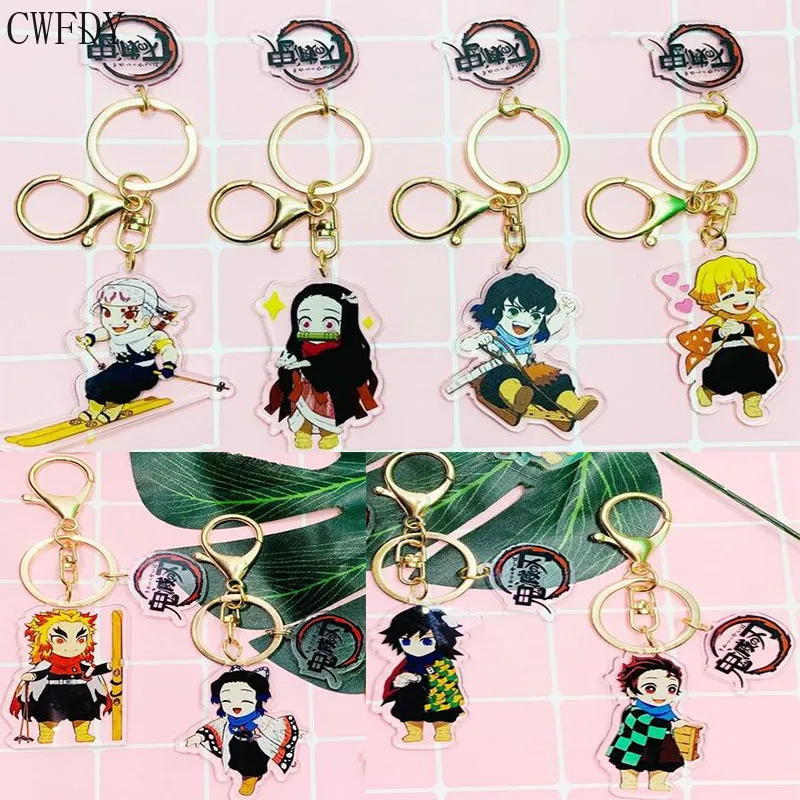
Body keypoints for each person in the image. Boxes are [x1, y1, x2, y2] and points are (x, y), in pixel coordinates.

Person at [447, 272, 597, 427]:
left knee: (556, 381)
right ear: (496, 310)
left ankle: (574, 405)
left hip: (529, 374)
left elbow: (552, 326)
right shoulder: (493, 336)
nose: (525, 320)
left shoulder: (529, 338)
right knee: (500, 377)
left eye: (535, 316)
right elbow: (465, 345)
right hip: (502, 372)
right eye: (513, 312)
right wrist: (478, 340)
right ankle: (515, 397)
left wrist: (563, 312)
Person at [264, 283, 379, 449]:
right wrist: (287, 365)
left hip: (328, 395)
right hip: (301, 392)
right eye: (306, 323)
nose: (316, 330)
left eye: (329, 324)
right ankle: (303, 433)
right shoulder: (297, 348)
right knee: (300, 415)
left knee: (327, 415)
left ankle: (328, 434)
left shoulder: (347, 352)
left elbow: (342, 368)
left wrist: (306, 363)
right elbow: (286, 375)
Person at [677, 254, 783, 419]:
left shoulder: (757, 318)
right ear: (713, 302)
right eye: (729, 296)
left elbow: (769, 337)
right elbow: (704, 342)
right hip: (727, 359)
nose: (741, 299)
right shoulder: (717, 321)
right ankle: (706, 391)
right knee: (719, 379)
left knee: (757, 379)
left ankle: (752, 400)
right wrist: (720, 333)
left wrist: (743, 329)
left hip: (754, 359)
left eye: (749, 291)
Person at [76, 276, 180, 424]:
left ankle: (112, 410)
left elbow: (168, 349)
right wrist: (90, 338)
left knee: (121, 386)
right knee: (96, 382)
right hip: (121, 367)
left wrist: (168, 366)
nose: (115, 321)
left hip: (144, 372)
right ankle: (94, 409)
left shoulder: (152, 336)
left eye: (129, 314)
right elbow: (104, 332)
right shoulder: (115, 331)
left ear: (146, 319)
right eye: (108, 313)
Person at [185, 667, 299, 797]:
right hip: (236, 744)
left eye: (245, 700)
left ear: (257, 699)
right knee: (236, 762)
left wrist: (296, 734)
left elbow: (276, 728)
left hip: (256, 747)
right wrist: (199, 737)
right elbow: (214, 728)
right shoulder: (227, 721)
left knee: (255, 764)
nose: (236, 706)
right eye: (227, 701)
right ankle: (245, 774)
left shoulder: (260, 720)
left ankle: (250, 778)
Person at [9, 610, 111, 744]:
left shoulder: (82, 663)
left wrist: (109, 666)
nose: (71, 646)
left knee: (83, 713)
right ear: (44, 641)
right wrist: (32, 675)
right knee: (46, 714)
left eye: (80, 639)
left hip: (80, 692)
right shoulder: (47, 663)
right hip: (53, 693)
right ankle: (46, 734)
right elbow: (40, 672)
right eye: (60, 640)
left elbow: (94, 670)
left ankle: (82, 733)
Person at [605, 655, 702, 793]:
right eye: (650, 688)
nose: (662, 695)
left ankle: (657, 783)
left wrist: (685, 729)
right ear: (631, 691)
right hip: (635, 745)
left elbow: (674, 723)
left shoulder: (667, 711)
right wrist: (671, 725)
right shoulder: (633, 711)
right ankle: (628, 782)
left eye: (671, 689)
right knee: (630, 767)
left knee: (662, 766)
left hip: (660, 747)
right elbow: (646, 723)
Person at [381, 607, 464, 744]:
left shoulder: (442, 662)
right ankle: (414, 731)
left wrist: (419, 678)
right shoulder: (406, 662)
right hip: (413, 697)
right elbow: (394, 677)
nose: (415, 647)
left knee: (442, 713)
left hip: (438, 695)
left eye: (426, 641)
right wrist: (398, 682)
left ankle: (443, 730)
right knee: (408, 709)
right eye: (406, 642)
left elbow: (446, 678)